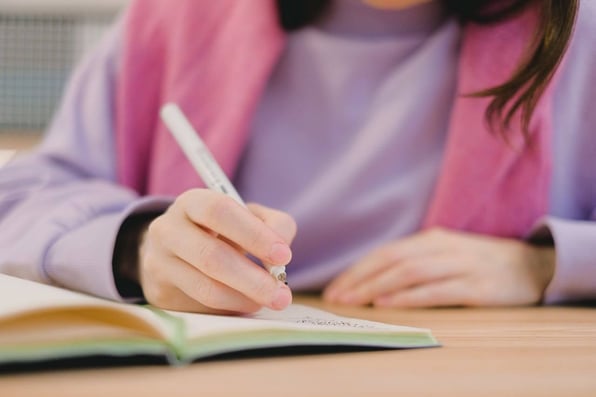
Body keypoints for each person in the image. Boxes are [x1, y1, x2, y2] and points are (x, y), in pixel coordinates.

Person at [0, 0, 594, 315]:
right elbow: (22, 196)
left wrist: (542, 267)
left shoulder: (578, 33)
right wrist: (138, 247)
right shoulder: (176, 15)